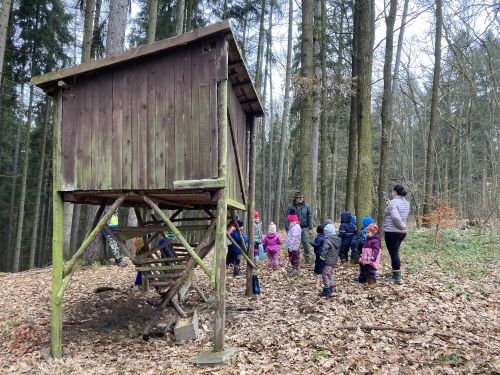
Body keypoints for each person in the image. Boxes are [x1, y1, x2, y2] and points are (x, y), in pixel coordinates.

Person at [382, 184, 410, 284]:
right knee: (395, 253)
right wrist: (389, 205)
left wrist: (402, 226)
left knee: (394, 254)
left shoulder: (393, 203)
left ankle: (397, 278)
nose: (391, 193)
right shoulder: (406, 203)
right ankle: (396, 273)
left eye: (392, 191)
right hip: (401, 233)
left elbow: (396, 218)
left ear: (395, 192)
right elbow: (399, 213)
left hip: (392, 232)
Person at [285, 192, 313, 263]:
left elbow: (310, 217)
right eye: (299, 197)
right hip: (294, 228)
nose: (301, 199)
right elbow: (286, 218)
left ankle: (307, 258)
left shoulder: (306, 206)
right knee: (294, 244)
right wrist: (287, 229)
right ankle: (295, 260)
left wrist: (311, 228)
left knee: (306, 243)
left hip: (305, 228)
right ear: (295, 198)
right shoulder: (290, 206)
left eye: (302, 197)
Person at [319, 223, 341, 297]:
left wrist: (321, 258)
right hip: (333, 261)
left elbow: (324, 250)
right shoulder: (337, 239)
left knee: (325, 274)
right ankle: (330, 286)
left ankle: (327, 289)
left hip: (327, 261)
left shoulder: (327, 240)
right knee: (330, 273)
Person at [358, 223, 381, 288]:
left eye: (368, 232)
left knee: (371, 272)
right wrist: (362, 256)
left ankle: (372, 283)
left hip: (371, 259)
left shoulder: (375, 241)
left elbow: (376, 250)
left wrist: (373, 257)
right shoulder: (367, 239)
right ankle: (362, 280)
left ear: (374, 232)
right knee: (363, 270)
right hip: (365, 259)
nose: (366, 234)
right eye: (366, 232)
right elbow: (364, 249)